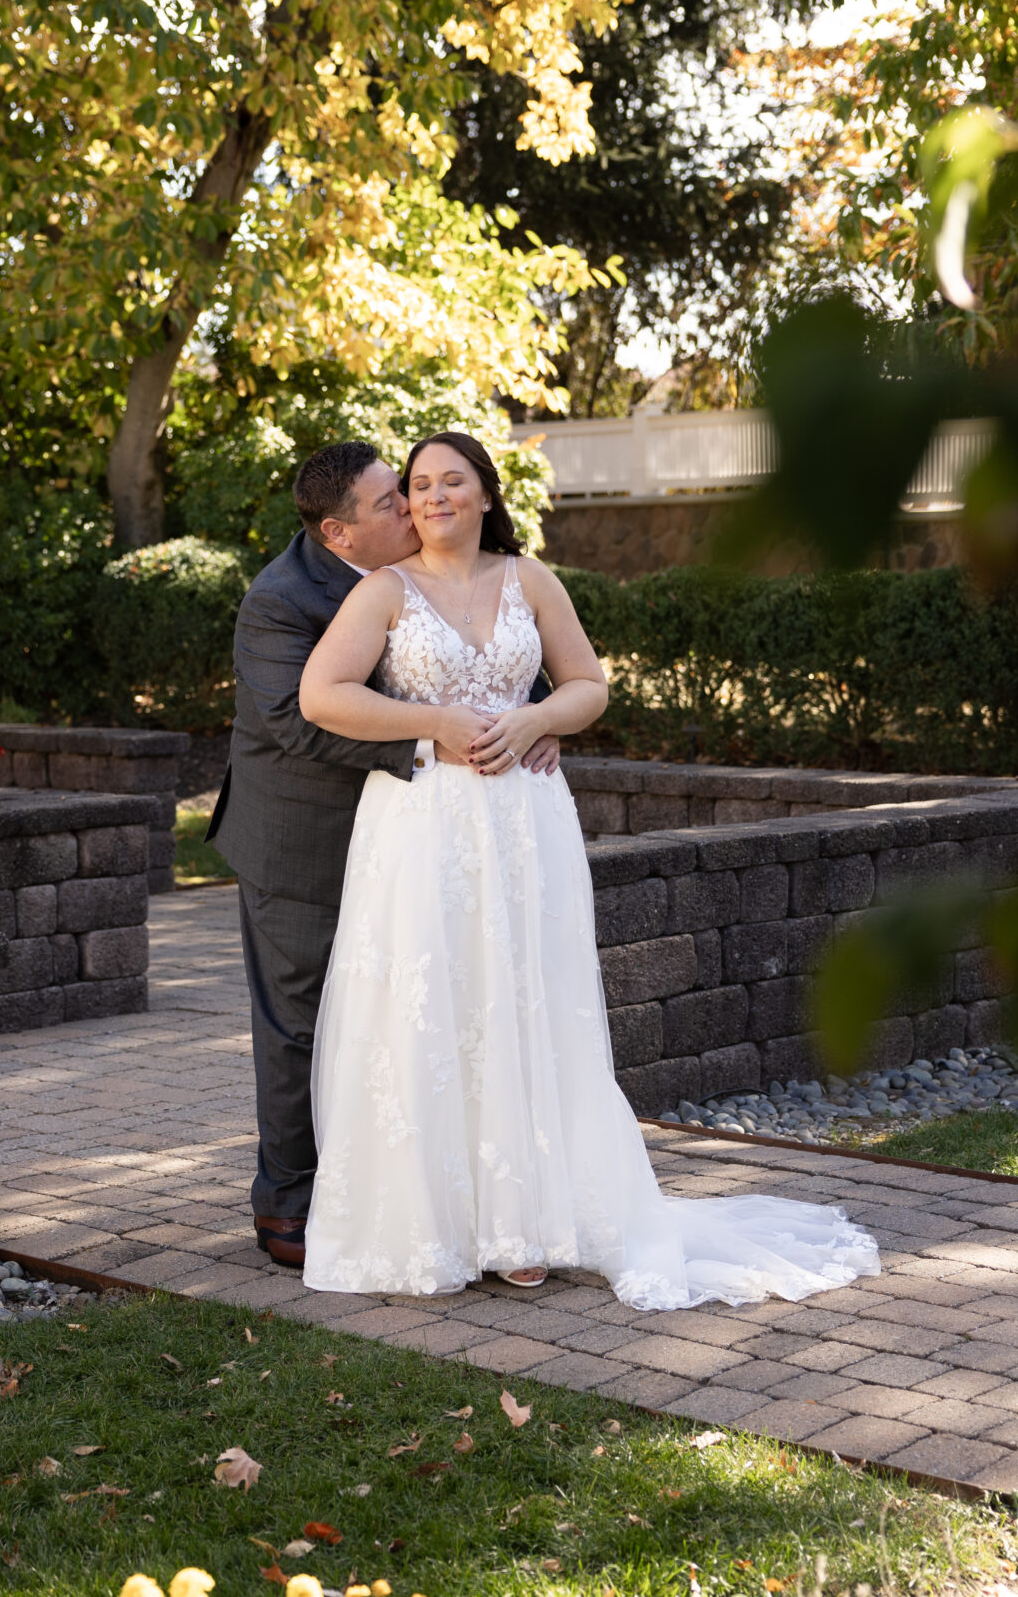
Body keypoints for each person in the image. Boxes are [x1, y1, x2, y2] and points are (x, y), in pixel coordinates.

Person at [294, 431, 881, 1306]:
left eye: (452, 480)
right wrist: (433, 723)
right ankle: (436, 1224)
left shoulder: (530, 581)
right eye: (418, 486)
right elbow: (323, 694)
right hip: (426, 828)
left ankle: (527, 1223)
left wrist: (534, 722)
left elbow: (588, 684)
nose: (433, 496)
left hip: (526, 823)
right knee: (439, 1005)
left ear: (487, 494)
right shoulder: (384, 591)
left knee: (528, 1005)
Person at [208, 440, 561, 1270]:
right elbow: (298, 722)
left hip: (413, 838)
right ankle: (289, 1204)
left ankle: (404, 1189)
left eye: (406, 492)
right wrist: (435, 739)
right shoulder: (279, 601)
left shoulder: (436, 570)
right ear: (339, 533)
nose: (411, 506)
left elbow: (504, 661)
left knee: (412, 1014)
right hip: (300, 841)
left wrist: (534, 723)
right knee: (300, 1024)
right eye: (390, 503)